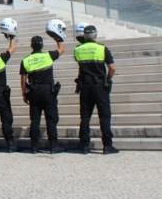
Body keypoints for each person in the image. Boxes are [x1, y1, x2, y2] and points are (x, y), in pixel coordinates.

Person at [74, 25, 118, 155]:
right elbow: (112, 68)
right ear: (96, 35)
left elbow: (80, 64)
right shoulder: (102, 48)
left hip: (85, 87)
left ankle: (84, 146)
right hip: (100, 86)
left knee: (85, 117)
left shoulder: (78, 49)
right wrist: (108, 78)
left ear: (84, 35)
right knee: (104, 116)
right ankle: (107, 146)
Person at [20, 31, 65, 153]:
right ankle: (53, 146)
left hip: (34, 92)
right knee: (51, 120)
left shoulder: (25, 60)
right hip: (48, 92)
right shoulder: (48, 55)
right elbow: (61, 49)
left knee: (35, 120)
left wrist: (24, 94)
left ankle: (34, 147)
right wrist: (57, 37)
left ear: (31, 46)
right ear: (42, 45)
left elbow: (23, 80)